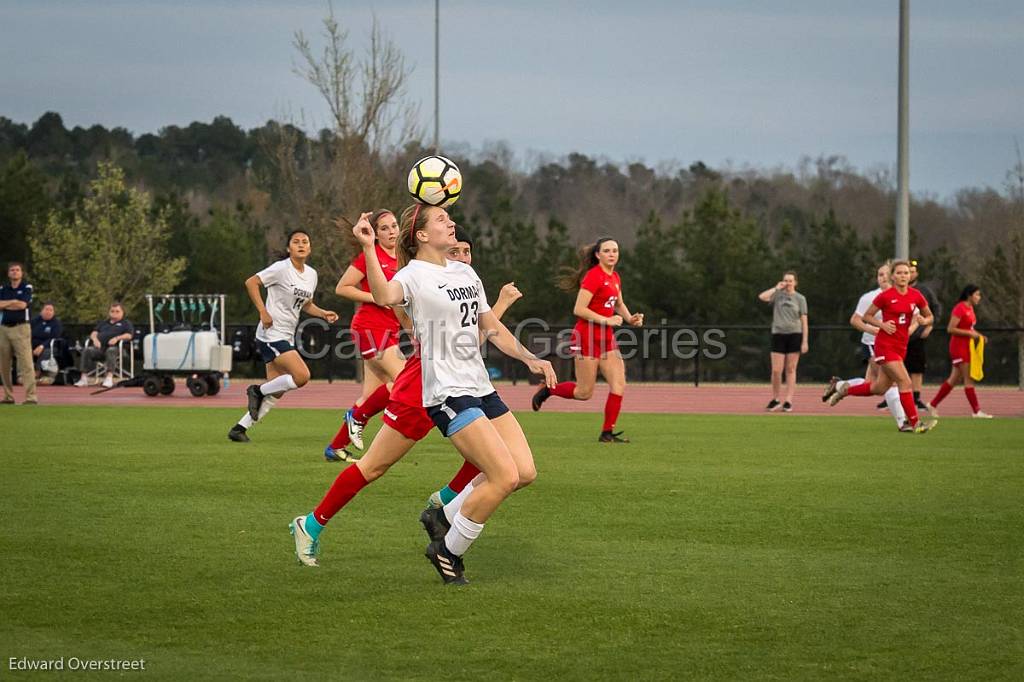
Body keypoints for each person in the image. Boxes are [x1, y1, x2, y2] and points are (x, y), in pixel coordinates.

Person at [291, 208, 555, 586]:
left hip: (477, 388)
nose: (452, 226)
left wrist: (529, 357)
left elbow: (487, 327)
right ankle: (312, 525)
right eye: (442, 220)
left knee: (518, 471)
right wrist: (366, 246)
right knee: (376, 467)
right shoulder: (412, 274)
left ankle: (445, 510)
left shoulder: (465, 272)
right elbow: (384, 295)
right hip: (432, 388)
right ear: (423, 236)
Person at [227, 230, 338, 443]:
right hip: (271, 334)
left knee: (276, 390)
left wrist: (323, 313)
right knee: (302, 376)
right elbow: (251, 282)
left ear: (310, 248)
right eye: (296, 242)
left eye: (305, 241)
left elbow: (305, 304)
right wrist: (262, 311)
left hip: (286, 335)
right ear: (289, 248)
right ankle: (256, 390)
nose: (301, 245)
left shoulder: (311, 274)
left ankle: (239, 428)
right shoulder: (281, 268)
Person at [530, 238, 643, 442]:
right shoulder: (594, 276)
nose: (612, 254)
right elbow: (579, 309)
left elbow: (618, 303)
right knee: (584, 393)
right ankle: (549, 389)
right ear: (598, 255)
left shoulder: (615, 277)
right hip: (587, 338)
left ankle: (607, 433)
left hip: (607, 340)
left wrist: (630, 318)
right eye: (607, 250)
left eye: (615, 250)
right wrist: (606, 320)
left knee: (619, 385)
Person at [324, 209, 405, 462]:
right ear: (375, 234)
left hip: (389, 331)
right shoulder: (370, 256)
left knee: (371, 397)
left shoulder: (403, 259)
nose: (391, 231)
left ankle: (335, 447)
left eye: (394, 226)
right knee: (404, 381)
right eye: (384, 228)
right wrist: (376, 298)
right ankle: (355, 417)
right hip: (370, 328)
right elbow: (342, 287)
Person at [823, 260, 936, 432]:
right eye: (899, 273)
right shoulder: (885, 296)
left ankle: (844, 389)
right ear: (893, 276)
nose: (903, 276)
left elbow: (930, 317)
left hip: (901, 347)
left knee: (879, 387)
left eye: (906, 273)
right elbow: (866, 316)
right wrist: (882, 326)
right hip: (884, 346)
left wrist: (923, 321)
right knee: (905, 382)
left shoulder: (916, 295)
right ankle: (915, 423)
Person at [926, 285, 992, 418]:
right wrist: (969, 333)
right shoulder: (960, 308)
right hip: (959, 347)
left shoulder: (971, 309)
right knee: (969, 379)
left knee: (953, 380)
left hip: (967, 346)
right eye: (977, 294)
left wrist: (979, 336)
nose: (979, 298)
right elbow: (951, 329)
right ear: (969, 295)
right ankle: (976, 411)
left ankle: (932, 404)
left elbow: (970, 328)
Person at [757, 271, 808, 412]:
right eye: (785, 280)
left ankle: (788, 400)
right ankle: (775, 399)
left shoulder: (800, 299)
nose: (788, 283)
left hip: (794, 334)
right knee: (776, 370)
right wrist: (776, 287)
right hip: (778, 334)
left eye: (790, 281)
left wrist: (805, 341)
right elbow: (762, 297)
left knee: (791, 369)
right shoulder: (777, 295)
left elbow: (804, 321)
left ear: (795, 282)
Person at [0, 261, 37, 404]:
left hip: (21, 328)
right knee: (4, 365)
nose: (15, 272)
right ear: (8, 273)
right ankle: (8, 396)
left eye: (17, 270)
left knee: (26, 363)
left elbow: (23, 305)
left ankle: (31, 397)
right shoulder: (3, 288)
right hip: (4, 328)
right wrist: (13, 302)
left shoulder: (26, 287)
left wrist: (6, 304)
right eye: (12, 270)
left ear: (22, 273)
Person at [905, 260, 941, 410]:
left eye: (911, 271)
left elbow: (935, 310)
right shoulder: (895, 292)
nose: (908, 275)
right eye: (906, 271)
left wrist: (929, 325)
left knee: (917, 368)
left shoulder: (922, 291)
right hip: (899, 337)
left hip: (917, 337)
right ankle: (894, 397)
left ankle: (916, 397)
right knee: (897, 368)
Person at [74, 302, 134, 388]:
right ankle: (83, 378)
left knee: (111, 350)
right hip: (100, 348)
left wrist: (117, 338)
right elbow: (94, 332)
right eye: (112, 311)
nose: (114, 313)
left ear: (122, 312)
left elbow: (129, 335)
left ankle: (109, 378)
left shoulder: (126, 323)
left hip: (118, 349)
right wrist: (95, 339)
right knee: (87, 350)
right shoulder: (104, 323)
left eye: (117, 311)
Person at [31, 302, 63, 384]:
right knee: (21, 350)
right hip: (32, 345)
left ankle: (38, 372)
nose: (48, 312)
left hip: (50, 346)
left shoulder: (56, 323)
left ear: (53, 312)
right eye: (46, 309)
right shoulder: (34, 321)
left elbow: (54, 338)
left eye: (51, 310)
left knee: (45, 352)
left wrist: (42, 346)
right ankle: (21, 375)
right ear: (41, 311)